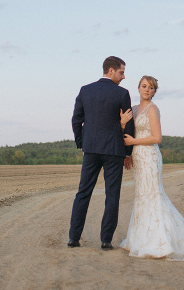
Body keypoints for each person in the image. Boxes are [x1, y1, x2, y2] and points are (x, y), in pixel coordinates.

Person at [119, 76, 184, 261]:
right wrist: (128, 151)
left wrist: (133, 142)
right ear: (138, 88)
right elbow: (126, 131)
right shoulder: (135, 109)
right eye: (144, 86)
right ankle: (140, 238)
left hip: (150, 156)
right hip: (138, 157)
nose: (147, 90)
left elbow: (157, 138)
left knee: (154, 194)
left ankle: (163, 240)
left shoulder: (153, 109)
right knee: (141, 195)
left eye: (151, 88)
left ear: (154, 92)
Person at [68, 56, 135, 250]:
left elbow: (76, 120)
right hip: (114, 150)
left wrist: (82, 144)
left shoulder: (85, 90)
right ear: (111, 70)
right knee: (112, 195)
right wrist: (128, 151)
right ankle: (106, 240)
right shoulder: (122, 94)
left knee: (83, 193)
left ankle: (74, 238)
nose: (124, 76)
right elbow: (129, 123)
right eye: (122, 72)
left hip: (91, 149)